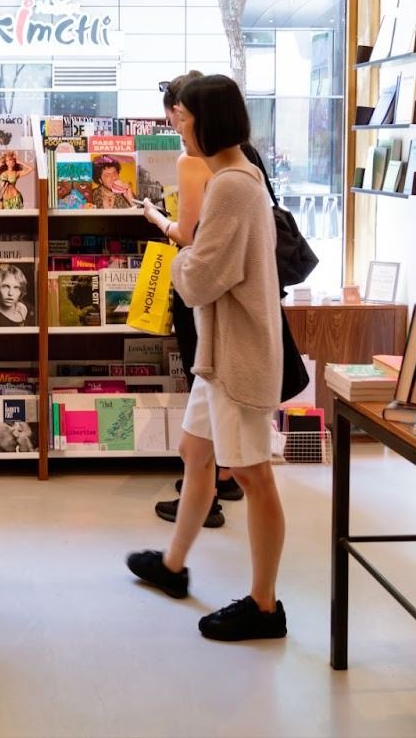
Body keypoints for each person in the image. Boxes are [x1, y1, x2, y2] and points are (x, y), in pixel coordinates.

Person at [126, 74, 288, 642]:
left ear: (208, 121)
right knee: (195, 452)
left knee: (252, 475)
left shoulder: (232, 187)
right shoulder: (237, 177)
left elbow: (198, 279)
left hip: (237, 357)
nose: (179, 125)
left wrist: (172, 263)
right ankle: (173, 566)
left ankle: (265, 606)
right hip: (221, 354)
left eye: (185, 117)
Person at [141, 72, 242, 523]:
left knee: (203, 375)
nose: (178, 130)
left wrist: (157, 220)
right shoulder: (244, 163)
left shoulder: (198, 165)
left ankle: (207, 497)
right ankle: (219, 480)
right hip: (237, 301)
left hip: (208, 295)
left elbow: (191, 237)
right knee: (212, 403)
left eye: (178, 120)